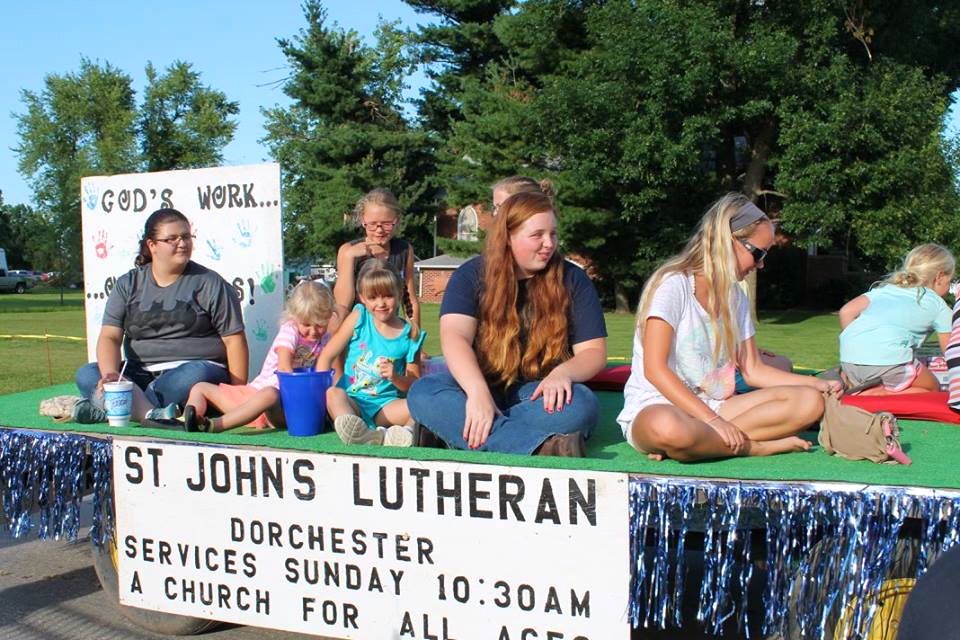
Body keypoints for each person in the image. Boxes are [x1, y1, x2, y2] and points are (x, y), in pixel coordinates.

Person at [618, 193, 838, 462]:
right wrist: (711, 420)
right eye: (757, 253)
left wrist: (817, 384)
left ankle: (697, 444)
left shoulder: (737, 296)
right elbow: (655, 370)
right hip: (658, 405)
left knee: (810, 402)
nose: (761, 264)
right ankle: (754, 446)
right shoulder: (673, 285)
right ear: (727, 240)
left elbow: (754, 370)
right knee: (668, 427)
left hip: (719, 407)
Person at [407, 190, 607, 457]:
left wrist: (563, 374)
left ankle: (454, 433)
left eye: (553, 234)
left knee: (582, 405)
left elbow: (594, 352)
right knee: (423, 392)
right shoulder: (471, 275)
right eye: (537, 235)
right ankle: (540, 447)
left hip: (535, 391)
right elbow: (455, 337)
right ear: (508, 238)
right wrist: (478, 395)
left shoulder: (573, 279)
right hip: (476, 384)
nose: (548, 243)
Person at [73, 208, 248, 424]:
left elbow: (234, 340)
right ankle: (150, 411)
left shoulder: (210, 283)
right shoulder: (127, 284)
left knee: (195, 375)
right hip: (139, 373)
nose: (182, 243)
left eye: (186, 237)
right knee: (87, 373)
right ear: (152, 245)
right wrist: (111, 376)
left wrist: (238, 396)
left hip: (192, 370)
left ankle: (112, 407)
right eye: (171, 239)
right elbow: (110, 336)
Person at [173, 281, 337, 433]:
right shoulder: (290, 330)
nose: (313, 331)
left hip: (282, 408)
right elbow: (284, 368)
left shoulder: (325, 339)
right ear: (295, 318)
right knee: (201, 387)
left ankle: (213, 423)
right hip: (260, 398)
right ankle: (196, 419)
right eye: (307, 324)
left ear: (329, 317)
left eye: (320, 325)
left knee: (270, 394)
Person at [317, 260, 425, 447]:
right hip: (353, 400)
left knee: (422, 404)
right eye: (373, 297)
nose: (381, 303)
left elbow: (413, 384)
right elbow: (327, 355)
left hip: (385, 407)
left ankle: (402, 434)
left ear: (399, 295)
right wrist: (316, 394)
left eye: (388, 296)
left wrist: (395, 377)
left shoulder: (411, 334)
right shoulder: (359, 317)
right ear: (362, 298)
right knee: (333, 393)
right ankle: (361, 433)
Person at [839, 243, 954, 396]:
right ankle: (879, 394)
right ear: (939, 277)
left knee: (887, 372)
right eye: (949, 281)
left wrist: (863, 346)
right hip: (891, 362)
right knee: (934, 388)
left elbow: (846, 312)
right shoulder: (939, 305)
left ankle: (864, 386)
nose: (948, 287)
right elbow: (951, 352)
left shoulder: (884, 290)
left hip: (849, 360)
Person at [333, 188, 420, 327]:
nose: (379, 230)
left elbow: (409, 299)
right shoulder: (347, 251)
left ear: (396, 220)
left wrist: (415, 336)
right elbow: (342, 304)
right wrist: (349, 258)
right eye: (372, 224)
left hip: (389, 331)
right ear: (363, 220)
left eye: (386, 224)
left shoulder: (404, 250)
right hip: (356, 334)